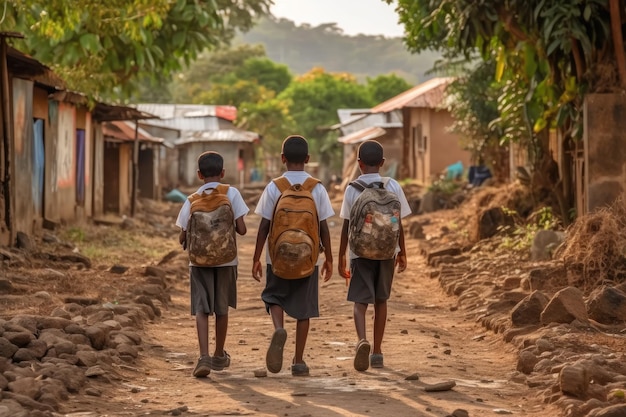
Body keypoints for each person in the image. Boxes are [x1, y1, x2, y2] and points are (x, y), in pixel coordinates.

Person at [252, 135, 334, 377]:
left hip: (276, 258)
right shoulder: (317, 187)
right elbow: (324, 227)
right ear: (308, 159)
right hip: (308, 260)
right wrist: (328, 258)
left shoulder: (274, 187)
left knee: (274, 297)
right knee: (304, 309)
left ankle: (279, 328)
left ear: (282, 159)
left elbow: (264, 226)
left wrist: (257, 257)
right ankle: (298, 361)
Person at [338, 140, 412, 372]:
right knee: (381, 301)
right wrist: (402, 253)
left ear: (359, 164)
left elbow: (346, 226)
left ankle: (362, 340)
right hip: (387, 253)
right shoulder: (393, 186)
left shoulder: (352, 189)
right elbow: (397, 222)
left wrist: (340, 256)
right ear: (382, 163)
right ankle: (377, 352)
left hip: (360, 253)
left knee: (360, 303)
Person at [175, 151, 249, 378]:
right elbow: (242, 229)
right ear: (223, 173)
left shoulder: (191, 200)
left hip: (198, 263)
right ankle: (219, 354)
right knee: (221, 308)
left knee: (201, 308)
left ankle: (203, 356)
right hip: (227, 261)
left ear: (199, 174)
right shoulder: (232, 193)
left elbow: (182, 237)